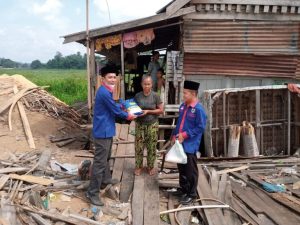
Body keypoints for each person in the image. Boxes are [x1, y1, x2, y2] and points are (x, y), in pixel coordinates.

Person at [86, 65, 136, 206]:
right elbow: (115, 110)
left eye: (114, 77)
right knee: (99, 163)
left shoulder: (107, 91)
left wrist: (123, 103)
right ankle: (92, 192)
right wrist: (128, 115)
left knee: (106, 157)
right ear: (103, 79)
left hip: (106, 129)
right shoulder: (103, 92)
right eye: (110, 77)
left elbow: (115, 103)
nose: (113, 79)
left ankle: (106, 179)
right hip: (102, 131)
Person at [171, 80, 207, 205]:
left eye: (185, 93)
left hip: (190, 145)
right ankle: (184, 189)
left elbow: (200, 127)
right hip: (179, 142)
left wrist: (185, 135)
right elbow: (180, 122)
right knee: (181, 167)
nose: (183, 95)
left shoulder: (198, 110)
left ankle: (192, 194)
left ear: (193, 94)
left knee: (190, 170)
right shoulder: (183, 106)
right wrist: (174, 135)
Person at [134, 75, 163, 176]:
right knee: (139, 147)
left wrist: (148, 111)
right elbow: (134, 108)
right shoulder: (138, 96)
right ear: (142, 84)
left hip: (152, 124)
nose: (147, 86)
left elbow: (161, 110)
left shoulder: (155, 96)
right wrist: (131, 112)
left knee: (151, 146)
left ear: (152, 84)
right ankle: (138, 166)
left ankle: (150, 166)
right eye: (145, 84)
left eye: (149, 84)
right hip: (140, 124)